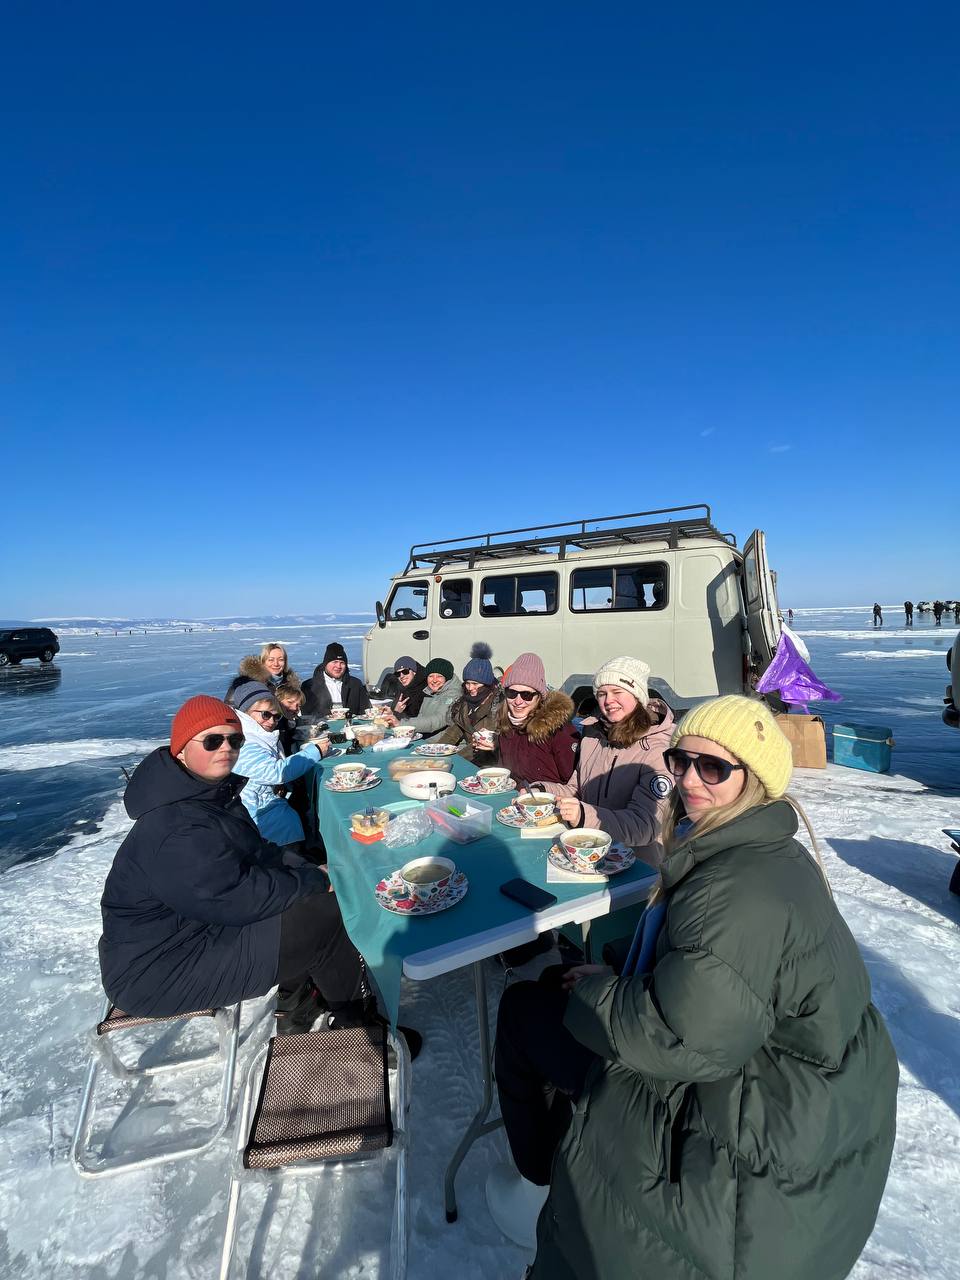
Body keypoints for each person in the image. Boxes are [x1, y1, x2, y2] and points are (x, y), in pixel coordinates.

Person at [489, 695, 899, 1276]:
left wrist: (594, 995)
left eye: (714, 768)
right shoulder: (767, 852)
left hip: (748, 1123)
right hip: (787, 1081)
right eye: (682, 761)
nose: (688, 779)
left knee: (525, 1009)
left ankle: (540, 1177)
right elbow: (719, 984)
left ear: (754, 780)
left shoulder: (733, 888)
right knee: (559, 987)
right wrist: (621, 978)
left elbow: (681, 1040)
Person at [98, 695, 365, 1027]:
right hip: (158, 970)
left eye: (234, 739)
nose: (225, 747)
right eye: (212, 740)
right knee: (327, 915)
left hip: (197, 928)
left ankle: (299, 1000)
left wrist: (311, 871)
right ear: (181, 749)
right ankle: (357, 1025)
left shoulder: (211, 794)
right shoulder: (175, 825)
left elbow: (259, 852)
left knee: (313, 900)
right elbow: (235, 897)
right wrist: (314, 882)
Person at [547, 657, 674, 861]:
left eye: (617, 692)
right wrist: (542, 790)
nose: (608, 701)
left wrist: (584, 815)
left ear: (637, 696)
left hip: (637, 869)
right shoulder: (593, 736)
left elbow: (645, 825)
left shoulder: (656, 750)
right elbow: (576, 788)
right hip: (589, 855)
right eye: (602, 694)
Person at [231, 681, 330, 848]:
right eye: (265, 715)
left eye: (276, 716)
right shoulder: (244, 742)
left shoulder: (261, 735)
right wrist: (315, 752)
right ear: (246, 712)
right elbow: (275, 772)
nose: (271, 721)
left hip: (272, 808)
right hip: (262, 822)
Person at [495, 652, 578, 789]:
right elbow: (505, 770)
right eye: (512, 693)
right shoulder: (506, 724)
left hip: (547, 804)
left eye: (526, 695)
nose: (518, 701)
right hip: (513, 798)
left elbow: (573, 784)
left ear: (539, 696)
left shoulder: (558, 730)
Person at [436, 643, 501, 762]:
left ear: (486, 684)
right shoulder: (465, 703)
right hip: (469, 758)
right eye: (467, 683)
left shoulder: (496, 705)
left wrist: (455, 760)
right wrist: (436, 751)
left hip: (488, 761)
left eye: (475, 684)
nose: (470, 688)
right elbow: (456, 730)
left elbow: (483, 742)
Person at [382, 657, 462, 736]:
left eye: (439, 676)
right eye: (431, 676)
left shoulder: (453, 694)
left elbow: (437, 720)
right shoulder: (430, 690)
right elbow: (420, 717)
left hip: (440, 743)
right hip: (423, 737)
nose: (434, 680)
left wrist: (401, 723)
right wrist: (396, 714)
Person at [301, 642, 371, 718]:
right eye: (335, 662)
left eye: (342, 663)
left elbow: (365, 711)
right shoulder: (309, 686)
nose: (338, 666)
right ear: (325, 664)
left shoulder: (355, 684)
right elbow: (306, 715)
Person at [225, 642, 298, 704]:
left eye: (280, 660)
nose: (276, 664)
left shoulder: (289, 684)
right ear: (263, 662)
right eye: (271, 660)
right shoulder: (246, 684)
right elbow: (231, 706)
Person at [275, 681, 306, 756]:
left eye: (298, 705)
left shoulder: (286, 722)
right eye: (290, 702)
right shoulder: (276, 724)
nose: (295, 708)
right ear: (278, 702)